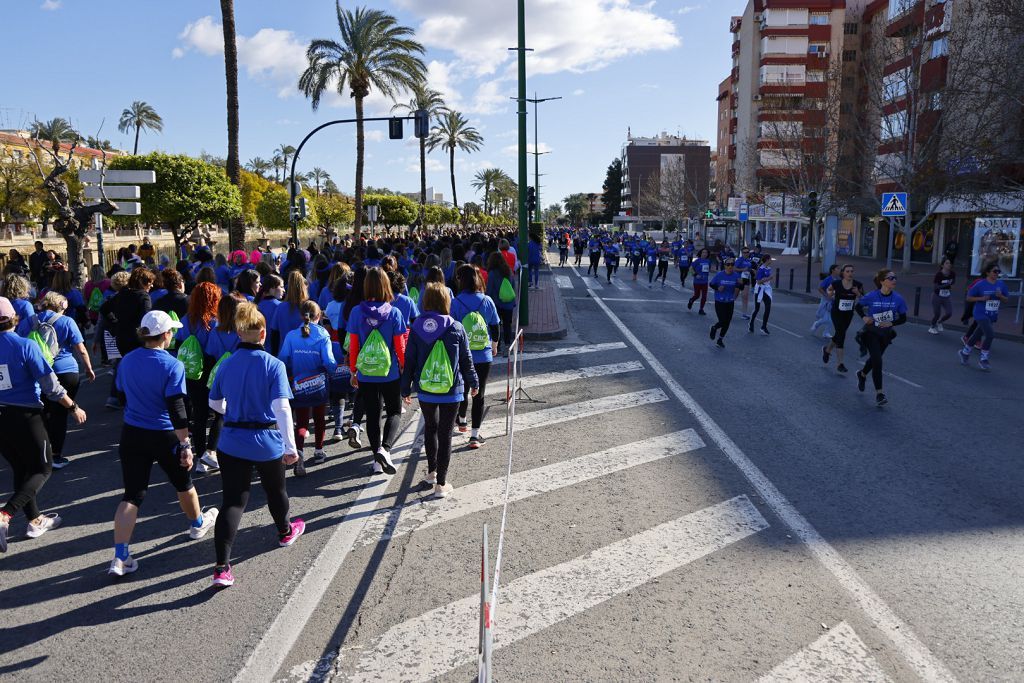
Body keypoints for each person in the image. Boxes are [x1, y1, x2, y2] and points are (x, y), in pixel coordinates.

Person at [108, 310, 218, 576]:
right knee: (183, 483)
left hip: (132, 433)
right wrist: (186, 444)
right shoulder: (172, 364)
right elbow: (177, 408)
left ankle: (120, 555)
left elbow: (120, 394)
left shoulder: (127, 361)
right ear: (166, 334)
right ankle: (197, 523)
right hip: (165, 434)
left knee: (132, 495)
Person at [208, 302, 304, 588]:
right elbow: (282, 409)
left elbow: (214, 403)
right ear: (263, 332)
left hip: (232, 441)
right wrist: (291, 448)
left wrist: (235, 410)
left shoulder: (226, 364)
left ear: (239, 333)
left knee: (233, 501)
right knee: (276, 491)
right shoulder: (273, 365)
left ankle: (222, 567)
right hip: (266, 441)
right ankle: (285, 531)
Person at [0, 296, 86, 553]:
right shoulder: (25, 346)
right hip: (26, 416)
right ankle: (5, 514)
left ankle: (35, 520)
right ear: (14, 318)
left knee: (21, 468)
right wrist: (73, 407)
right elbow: (51, 386)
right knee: (43, 467)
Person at [401, 283, 479, 497]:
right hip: (451, 389)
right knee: (445, 434)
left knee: (430, 429)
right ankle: (441, 485)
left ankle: (432, 472)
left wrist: (405, 387)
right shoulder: (456, 327)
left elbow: (409, 360)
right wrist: (473, 382)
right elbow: (466, 359)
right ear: (446, 301)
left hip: (425, 389)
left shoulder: (416, 327)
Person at [347, 267, 406, 475]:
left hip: (365, 372)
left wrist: (353, 371)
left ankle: (375, 460)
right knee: (394, 411)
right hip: (389, 372)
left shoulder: (356, 312)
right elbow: (400, 346)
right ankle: (385, 449)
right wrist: (403, 367)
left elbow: (353, 346)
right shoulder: (395, 313)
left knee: (372, 416)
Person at [30, 292, 95, 469]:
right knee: (60, 414)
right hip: (66, 370)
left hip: (40, 371)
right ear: (62, 305)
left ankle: (40, 452)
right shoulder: (67, 321)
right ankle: (55, 456)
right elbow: (81, 349)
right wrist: (88, 368)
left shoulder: (31, 320)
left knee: (42, 413)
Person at [278, 300, 336, 473]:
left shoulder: (291, 336)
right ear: (319, 316)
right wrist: (336, 369)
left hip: (298, 385)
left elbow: (283, 359)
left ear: (300, 316)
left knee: (301, 421)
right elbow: (329, 361)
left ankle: (300, 452)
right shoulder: (323, 335)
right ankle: (319, 451)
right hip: (319, 384)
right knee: (319, 419)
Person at [449, 265, 500, 448]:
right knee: (480, 393)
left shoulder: (455, 303)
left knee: (462, 388)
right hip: (483, 353)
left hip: (463, 353)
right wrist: (494, 346)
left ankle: (461, 420)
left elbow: (451, 330)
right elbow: (495, 326)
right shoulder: (487, 300)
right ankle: (474, 435)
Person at [176, 282, 222, 473]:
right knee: (220, 412)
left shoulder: (185, 320)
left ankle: (200, 456)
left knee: (199, 414)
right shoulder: (215, 321)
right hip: (211, 372)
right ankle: (211, 452)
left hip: (192, 372)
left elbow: (178, 344)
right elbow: (215, 351)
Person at [854, 269, 907, 407]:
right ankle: (880, 393)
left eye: (895, 278)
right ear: (882, 281)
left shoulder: (898, 299)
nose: (894, 280)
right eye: (891, 278)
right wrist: (864, 317)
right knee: (878, 361)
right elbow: (858, 307)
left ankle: (862, 374)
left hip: (886, 335)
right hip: (871, 333)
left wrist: (892, 322)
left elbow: (903, 318)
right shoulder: (872, 296)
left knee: (874, 359)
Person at [958, 263, 1009, 371]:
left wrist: (1001, 296)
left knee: (977, 335)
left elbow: (1006, 300)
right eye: (995, 271)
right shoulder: (980, 284)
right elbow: (969, 298)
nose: (997, 273)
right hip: (980, 313)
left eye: (998, 272)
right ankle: (983, 359)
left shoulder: (1001, 284)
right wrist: (981, 298)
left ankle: (964, 352)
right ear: (988, 273)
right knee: (990, 335)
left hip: (992, 314)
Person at [822, 265, 862, 374]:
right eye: (847, 271)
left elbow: (864, 299)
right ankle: (840, 364)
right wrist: (830, 294)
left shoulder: (857, 284)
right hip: (837, 313)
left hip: (848, 314)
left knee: (840, 334)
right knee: (841, 335)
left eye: (852, 271)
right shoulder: (837, 284)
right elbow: (829, 289)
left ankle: (827, 350)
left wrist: (857, 293)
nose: (850, 273)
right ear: (843, 273)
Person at [270, 270, 308, 355]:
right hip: (304, 355)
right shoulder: (308, 307)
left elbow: (274, 335)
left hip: (284, 355)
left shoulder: (280, 307)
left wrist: (274, 355)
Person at [708, 258, 743, 348]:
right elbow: (711, 284)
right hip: (720, 301)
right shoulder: (719, 275)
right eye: (728, 264)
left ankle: (720, 340)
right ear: (725, 266)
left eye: (732, 264)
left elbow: (740, 287)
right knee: (723, 321)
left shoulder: (736, 275)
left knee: (727, 322)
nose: (730, 266)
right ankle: (714, 328)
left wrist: (741, 284)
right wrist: (718, 288)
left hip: (730, 302)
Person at [485, 252, 516, 354]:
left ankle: (497, 346)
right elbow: (513, 286)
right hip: (508, 303)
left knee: (496, 325)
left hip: (496, 303)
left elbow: (489, 290)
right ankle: (508, 345)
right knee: (507, 325)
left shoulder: (492, 273)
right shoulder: (509, 271)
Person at [810, 264, 839, 338]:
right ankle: (816, 324)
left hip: (833, 302)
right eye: (837, 269)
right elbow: (820, 288)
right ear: (833, 270)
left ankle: (826, 332)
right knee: (826, 319)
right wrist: (827, 296)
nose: (839, 270)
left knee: (832, 318)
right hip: (825, 301)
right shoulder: (828, 279)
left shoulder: (837, 280)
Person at [748, 254, 774, 335]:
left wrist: (768, 280)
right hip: (759, 289)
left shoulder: (768, 268)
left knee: (768, 306)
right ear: (767, 260)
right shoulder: (761, 269)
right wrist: (769, 278)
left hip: (766, 289)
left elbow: (766, 279)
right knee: (757, 308)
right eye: (770, 259)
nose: (771, 260)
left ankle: (764, 326)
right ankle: (751, 323)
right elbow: (758, 281)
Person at [928, 259, 956, 335]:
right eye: (947, 263)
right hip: (937, 296)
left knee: (949, 313)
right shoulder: (939, 275)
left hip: (946, 296)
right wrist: (947, 284)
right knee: (937, 314)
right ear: (942, 265)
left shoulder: (952, 273)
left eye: (950, 263)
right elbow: (936, 287)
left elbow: (953, 282)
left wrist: (950, 285)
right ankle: (932, 327)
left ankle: (939, 322)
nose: (949, 264)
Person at [687, 248, 712, 315]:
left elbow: (708, 269)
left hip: (705, 282)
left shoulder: (708, 261)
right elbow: (691, 269)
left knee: (704, 296)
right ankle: (691, 300)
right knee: (697, 295)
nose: (704, 254)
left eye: (706, 253)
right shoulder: (697, 261)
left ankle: (701, 309)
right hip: (697, 281)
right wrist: (696, 275)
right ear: (701, 253)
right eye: (703, 252)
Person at [733, 247, 752, 318]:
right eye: (744, 252)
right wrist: (742, 269)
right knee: (735, 296)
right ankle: (728, 309)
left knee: (745, 296)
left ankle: (744, 314)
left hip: (746, 279)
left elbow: (749, 269)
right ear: (742, 253)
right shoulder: (739, 260)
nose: (746, 253)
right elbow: (734, 268)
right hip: (739, 279)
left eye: (747, 252)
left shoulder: (749, 260)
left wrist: (751, 271)